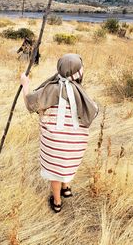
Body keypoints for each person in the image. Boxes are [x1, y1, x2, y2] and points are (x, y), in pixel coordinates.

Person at [20, 54, 98, 213]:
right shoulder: (81, 93)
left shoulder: (51, 89)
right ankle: (66, 187)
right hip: (75, 145)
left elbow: (30, 103)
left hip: (54, 143)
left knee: (55, 172)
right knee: (67, 163)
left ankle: (56, 202)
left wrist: (25, 85)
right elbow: (93, 111)